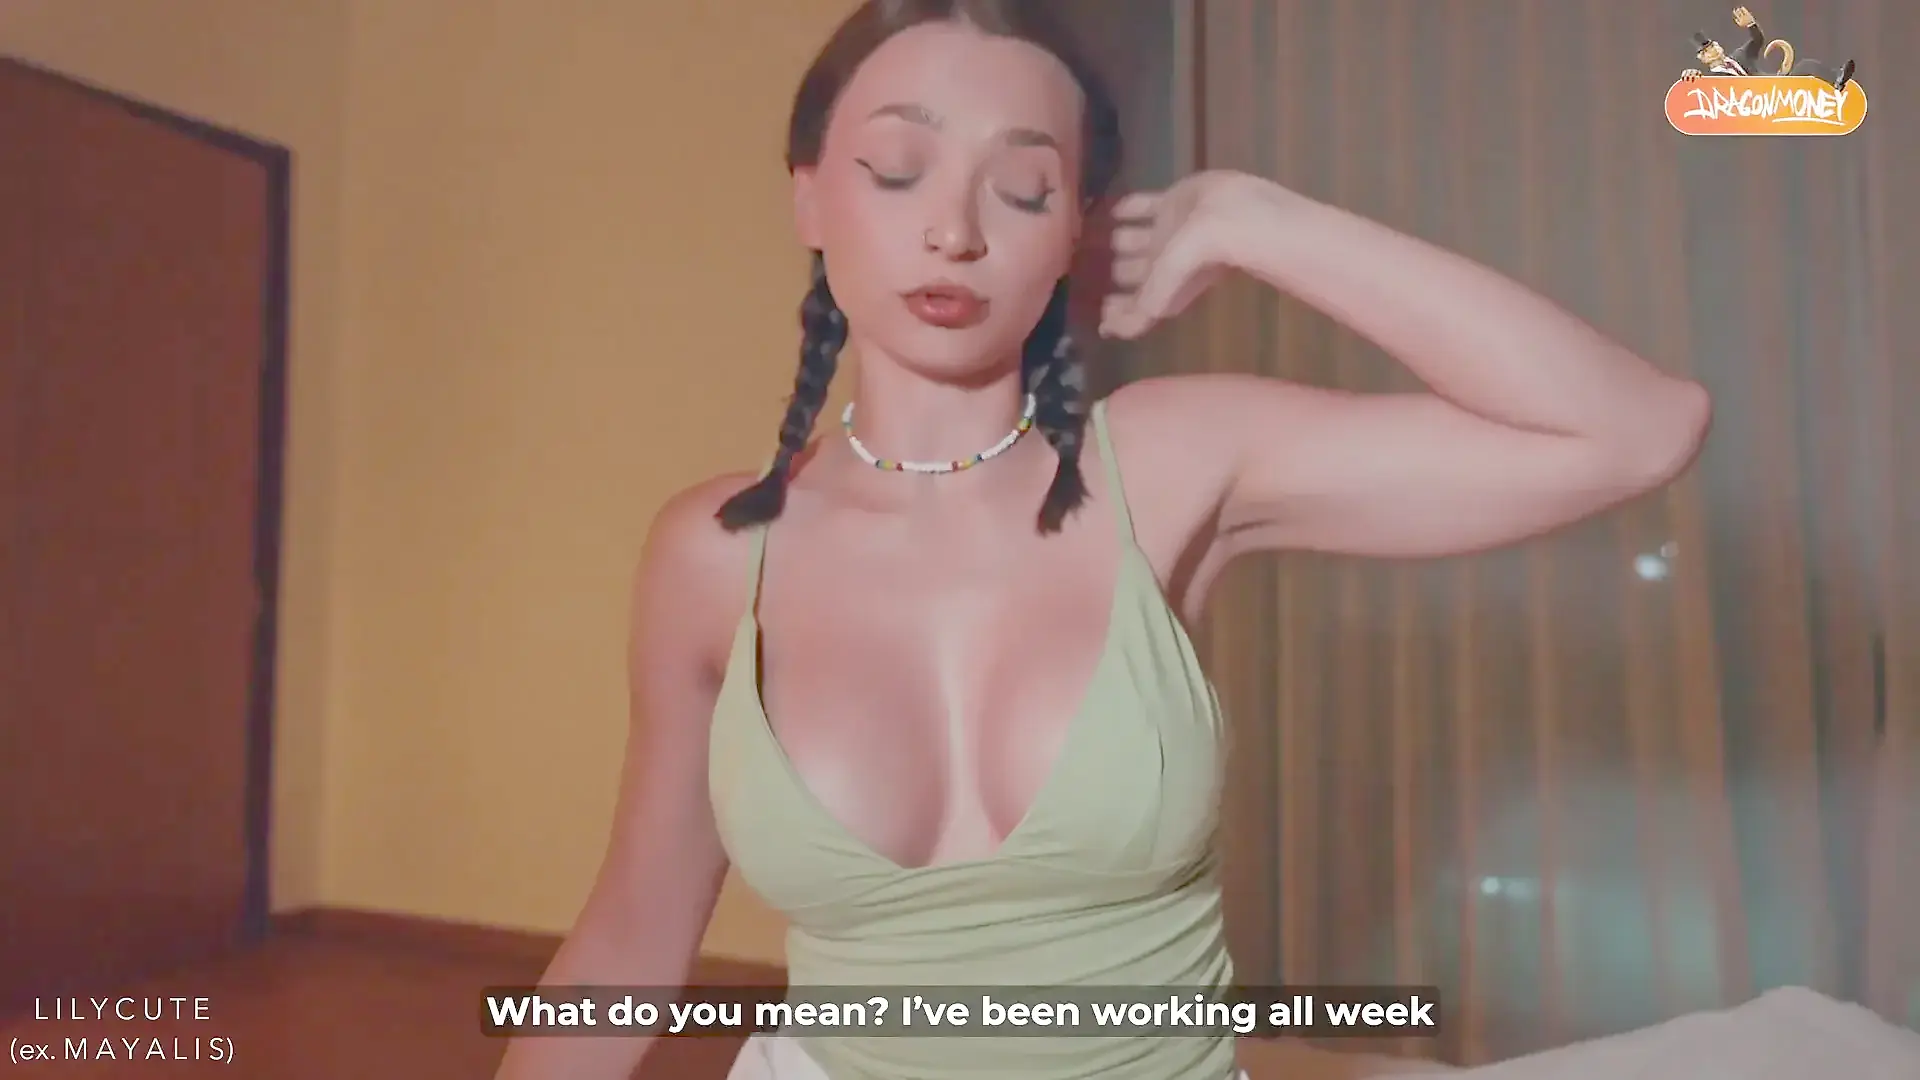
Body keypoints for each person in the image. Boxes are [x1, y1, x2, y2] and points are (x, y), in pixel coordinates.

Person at [492, 1, 1711, 1077]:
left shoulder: (1166, 466)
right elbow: (633, 935)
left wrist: (1254, 218)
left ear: (1079, 225)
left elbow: (1635, 429)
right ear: (808, 194)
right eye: (899, 169)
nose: (956, 230)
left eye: (1023, 189)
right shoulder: (716, 555)